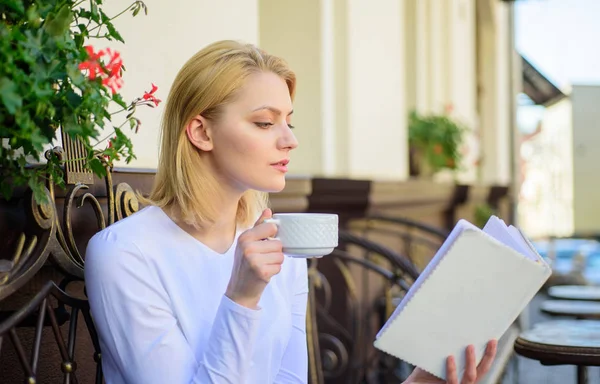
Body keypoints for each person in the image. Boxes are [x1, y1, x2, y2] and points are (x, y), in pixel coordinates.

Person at [84, 40, 497, 384]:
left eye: (289, 121)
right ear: (201, 132)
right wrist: (242, 298)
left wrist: (422, 381)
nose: (289, 140)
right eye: (265, 123)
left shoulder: (277, 242)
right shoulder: (125, 254)